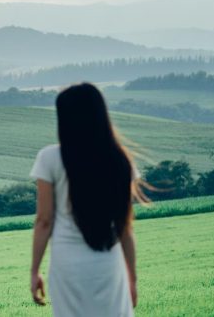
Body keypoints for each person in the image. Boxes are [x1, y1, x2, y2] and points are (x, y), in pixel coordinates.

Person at [29, 82, 143, 316]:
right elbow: (125, 228)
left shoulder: (49, 158)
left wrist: (34, 271)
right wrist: (132, 279)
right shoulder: (120, 160)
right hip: (108, 263)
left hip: (67, 265)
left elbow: (44, 221)